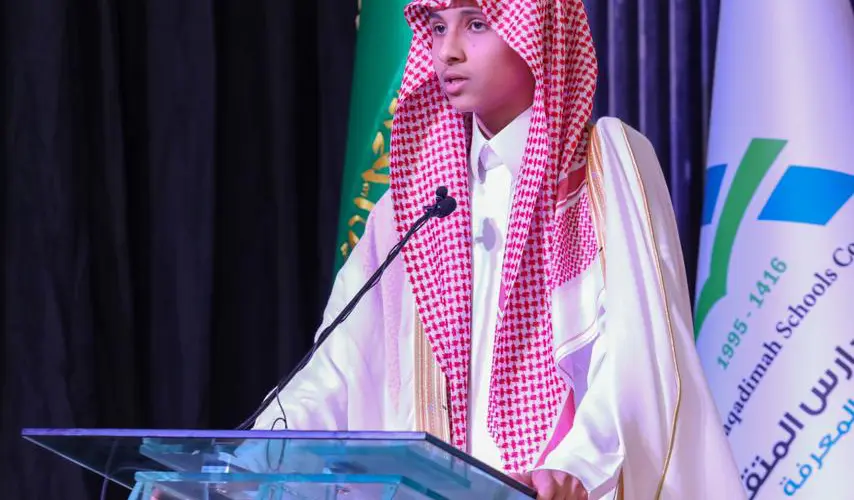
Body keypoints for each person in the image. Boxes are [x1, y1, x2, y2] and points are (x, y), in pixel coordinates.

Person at [246, 0, 746, 498]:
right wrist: (254, 457)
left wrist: (574, 468)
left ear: (539, 34)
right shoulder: (412, 205)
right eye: (436, 28)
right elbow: (340, 367)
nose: (447, 51)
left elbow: (634, 354)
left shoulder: (601, 169)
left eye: (477, 24)